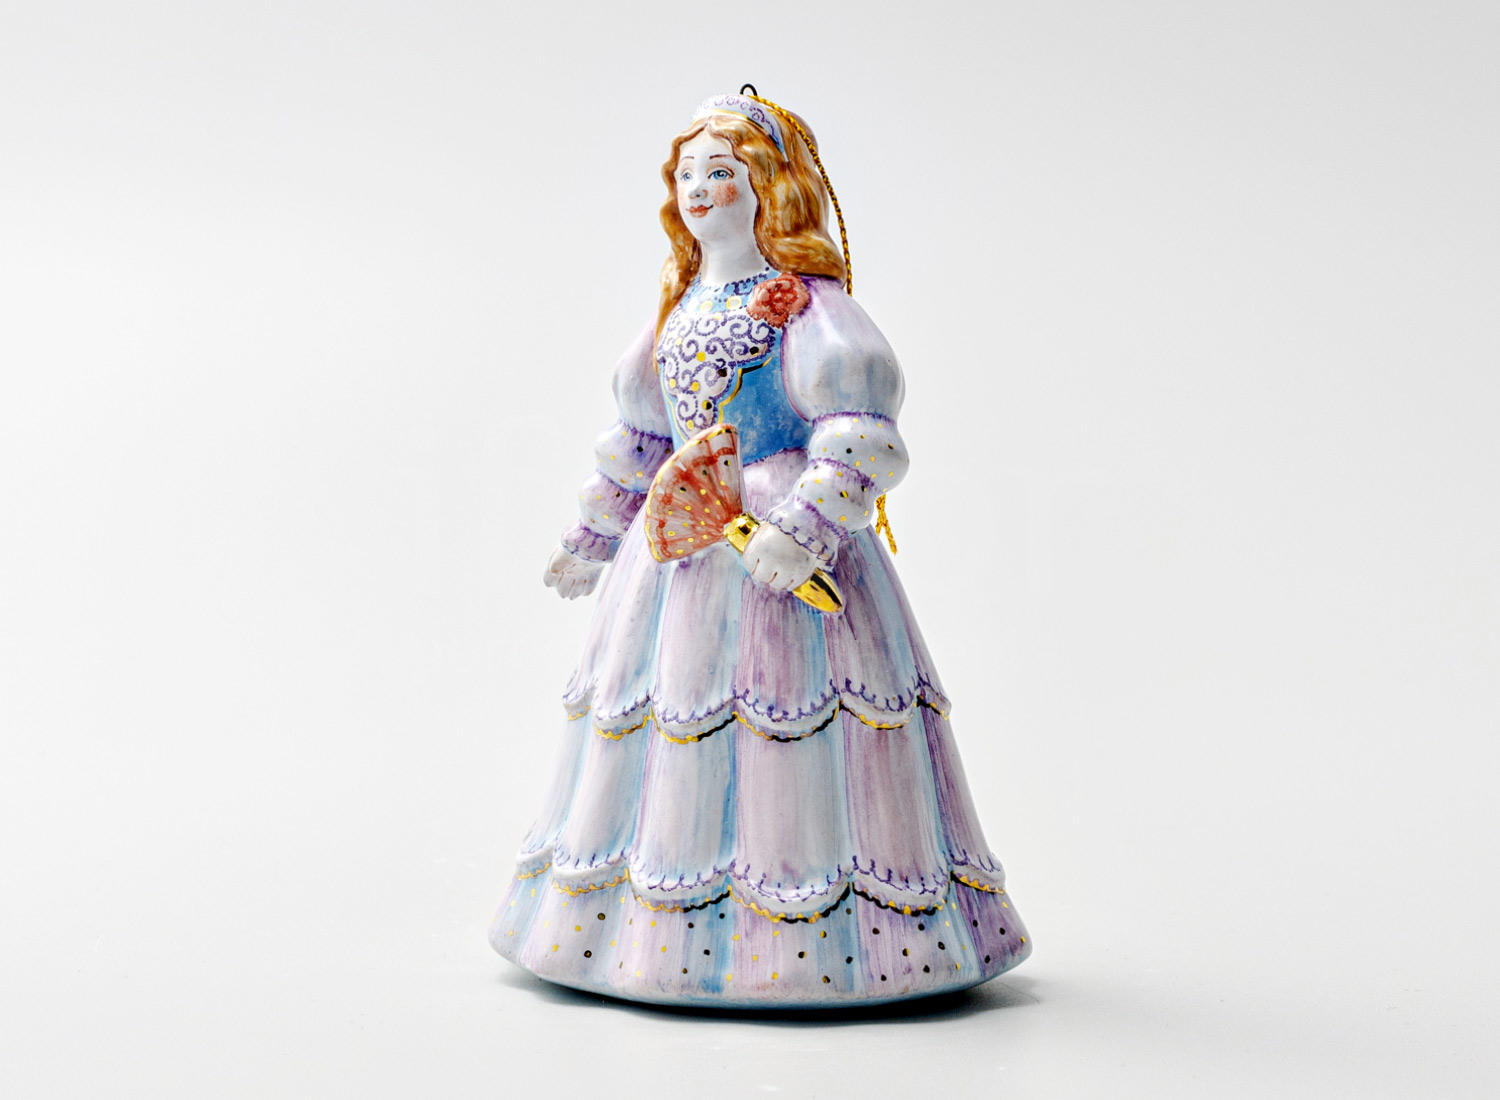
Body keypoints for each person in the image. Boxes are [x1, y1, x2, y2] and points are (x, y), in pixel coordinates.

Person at [489, 92, 1029, 1007]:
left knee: (796, 719)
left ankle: (836, 934)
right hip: (676, 568)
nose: (699, 189)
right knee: (673, 720)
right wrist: (594, 536)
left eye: (722, 171)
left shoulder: (808, 309)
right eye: (687, 174)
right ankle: (644, 927)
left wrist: (805, 526)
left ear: (770, 187)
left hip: (777, 542)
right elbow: (640, 438)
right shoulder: (676, 310)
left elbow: (859, 427)